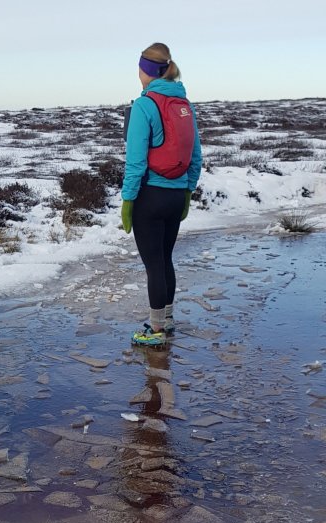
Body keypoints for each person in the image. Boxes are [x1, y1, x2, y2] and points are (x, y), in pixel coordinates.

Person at [121, 42, 202, 345]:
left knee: (153, 264)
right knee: (165, 259)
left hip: (150, 198)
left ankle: (155, 332)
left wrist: (128, 200)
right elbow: (196, 156)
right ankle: (166, 321)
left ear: (145, 71)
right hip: (175, 196)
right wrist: (187, 190)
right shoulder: (184, 104)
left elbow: (136, 162)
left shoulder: (144, 106)